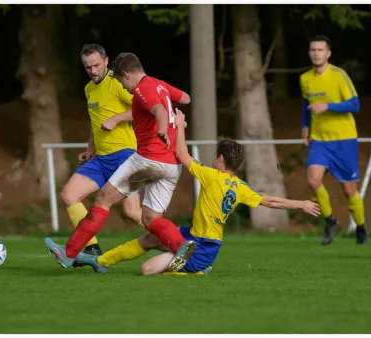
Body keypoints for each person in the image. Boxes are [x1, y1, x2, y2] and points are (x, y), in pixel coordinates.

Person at [62, 110, 321, 275]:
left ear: (220, 159)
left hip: (203, 248)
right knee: (150, 237)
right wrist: (300, 203)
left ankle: (197, 269)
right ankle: (102, 262)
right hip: (193, 234)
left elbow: (182, 155)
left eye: (214, 156)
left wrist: (181, 125)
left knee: (147, 269)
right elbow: (270, 201)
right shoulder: (239, 187)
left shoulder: (212, 176)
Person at [45, 52, 196, 272]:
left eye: (123, 82)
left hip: (147, 158)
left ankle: (69, 254)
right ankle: (181, 246)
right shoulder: (158, 85)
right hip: (171, 165)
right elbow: (185, 98)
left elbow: (159, 110)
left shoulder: (143, 88)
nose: (125, 88)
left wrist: (162, 128)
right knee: (150, 217)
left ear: (126, 74)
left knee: (104, 199)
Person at [59, 44, 143, 262]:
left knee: (133, 212)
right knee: (69, 195)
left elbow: (143, 108)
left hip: (125, 156)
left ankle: (177, 240)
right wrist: (90, 148)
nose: (93, 71)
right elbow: (96, 123)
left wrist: (116, 119)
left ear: (106, 61)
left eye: (96, 65)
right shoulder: (89, 89)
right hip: (101, 159)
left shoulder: (117, 83)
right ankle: (91, 249)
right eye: (88, 67)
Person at [299, 35, 367, 245]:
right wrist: (305, 127)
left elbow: (355, 105)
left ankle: (361, 228)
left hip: (344, 140)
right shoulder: (305, 78)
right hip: (319, 140)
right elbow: (305, 104)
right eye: (313, 50)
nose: (316, 53)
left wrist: (328, 106)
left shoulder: (339, 75)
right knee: (313, 180)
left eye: (320, 50)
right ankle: (330, 221)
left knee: (349, 191)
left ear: (328, 53)